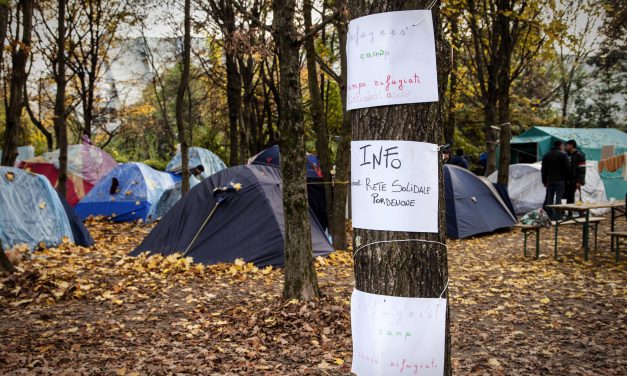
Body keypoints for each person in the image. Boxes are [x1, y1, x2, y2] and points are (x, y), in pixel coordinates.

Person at [541, 140, 569, 219]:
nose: (563, 147)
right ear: (560, 145)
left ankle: (549, 215)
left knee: (550, 198)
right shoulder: (563, 155)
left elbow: (543, 169)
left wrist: (544, 180)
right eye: (563, 146)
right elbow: (567, 168)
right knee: (558, 198)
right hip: (560, 179)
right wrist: (568, 179)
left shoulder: (546, 155)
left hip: (550, 180)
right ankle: (558, 216)